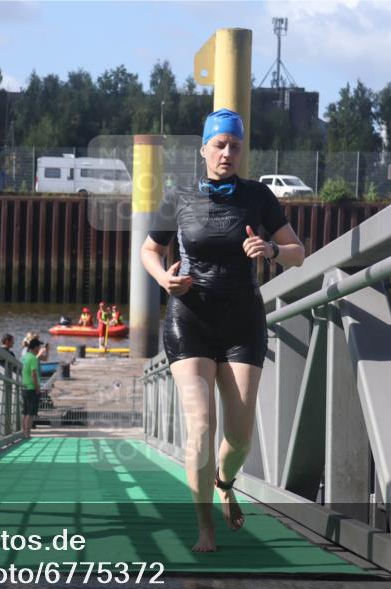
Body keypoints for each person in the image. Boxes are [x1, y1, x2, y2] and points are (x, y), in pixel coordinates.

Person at [139, 108, 305, 552]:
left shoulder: (259, 197)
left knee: (240, 435)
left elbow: (299, 253)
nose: (227, 152)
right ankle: (204, 529)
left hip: (242, 322)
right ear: (204, 150)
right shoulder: (178, 198)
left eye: (234, 145)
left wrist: (271, 247)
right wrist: (163, 279)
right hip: (189, 318)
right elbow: (150, 249)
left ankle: (224, 481)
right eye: (219, 144)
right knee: (200, 426)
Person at [20, 337, 43, 438]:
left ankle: (24, 433)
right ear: (35, 347)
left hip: (24, 386)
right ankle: (28, 434)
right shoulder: (33, 358)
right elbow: (34, 373)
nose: (40, 348)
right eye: (39, 346)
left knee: (25, 412)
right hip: (31, 388)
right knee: (30, 412)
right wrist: (37, 387)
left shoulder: (24, 357)